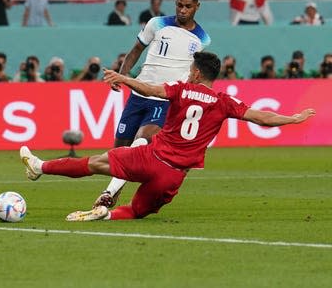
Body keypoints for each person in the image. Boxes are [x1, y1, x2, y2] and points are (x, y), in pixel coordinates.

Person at [19, 52, 315, 221]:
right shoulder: (225, 102)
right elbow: (261, 117)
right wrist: (292, 119)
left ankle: (40, 167)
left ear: (197, 74)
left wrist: (123, 78)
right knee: (136, 211)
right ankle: (106, 215)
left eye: (191, 70)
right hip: (173, 176)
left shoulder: (182, 89)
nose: (188, 74)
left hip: (149, 157)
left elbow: (151, 90)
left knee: (94, 163)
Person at [92, 0, 211, 209]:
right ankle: (118, 187)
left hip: (164, 98)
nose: (182, 10)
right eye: (179, 5)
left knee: (143, 139)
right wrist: (123, 75)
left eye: (188, 6)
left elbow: (194, 73)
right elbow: (136, 49)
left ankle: (109, 192)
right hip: (138, 94)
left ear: (197, 7)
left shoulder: (202, 39)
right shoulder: (156, 23)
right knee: (120, 151)